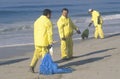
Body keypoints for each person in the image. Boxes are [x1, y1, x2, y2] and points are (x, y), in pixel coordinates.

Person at [30, 9, 53, 73]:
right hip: (44, 41)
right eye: (50, 14)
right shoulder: (48, 21)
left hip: (37, 41)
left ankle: (32, 66)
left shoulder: (37, 21)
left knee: (36, 54)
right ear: (48, 14)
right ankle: (44, 69)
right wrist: (50, 42)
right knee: (44, 55)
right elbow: (50, 33)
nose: (51, 16)